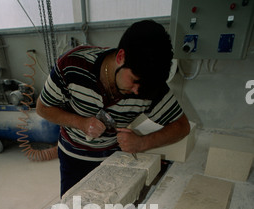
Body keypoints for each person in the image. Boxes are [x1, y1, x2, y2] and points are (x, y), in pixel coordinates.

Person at [36, 20, 190, 197]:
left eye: (144, 87)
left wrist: (142, 143)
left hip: (115, 159)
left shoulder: (151, 86)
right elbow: (42, 108)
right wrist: (80, 122)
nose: (137, 91)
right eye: (134, 80)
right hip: (74, 158)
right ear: (120, 57)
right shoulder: (72, 65)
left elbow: (181, 126)